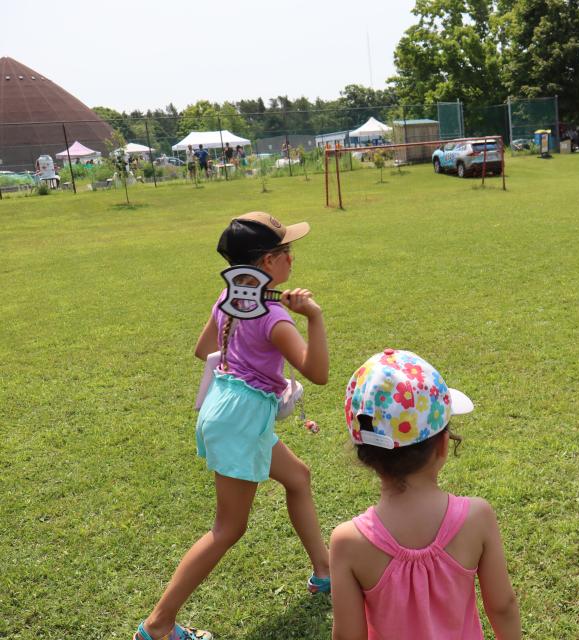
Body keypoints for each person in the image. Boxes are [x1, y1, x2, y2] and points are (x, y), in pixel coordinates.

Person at [133, 212, 332, 640]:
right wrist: (312, 317)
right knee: (229, 528)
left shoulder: (227, 301)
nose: (292, 259)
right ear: (265, 263)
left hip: (228, 409)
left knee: (298, 477)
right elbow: (318, 372)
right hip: (241, 418)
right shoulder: (275, 318)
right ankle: (158, 626)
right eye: (284, 252)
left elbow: (203, 349)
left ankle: (325, 572)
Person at [330, 350, 521, 640]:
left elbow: (347, 636)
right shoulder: (477, 517)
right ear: (443, 445)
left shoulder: (347, 542)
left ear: (366, 455)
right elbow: (503, 606)